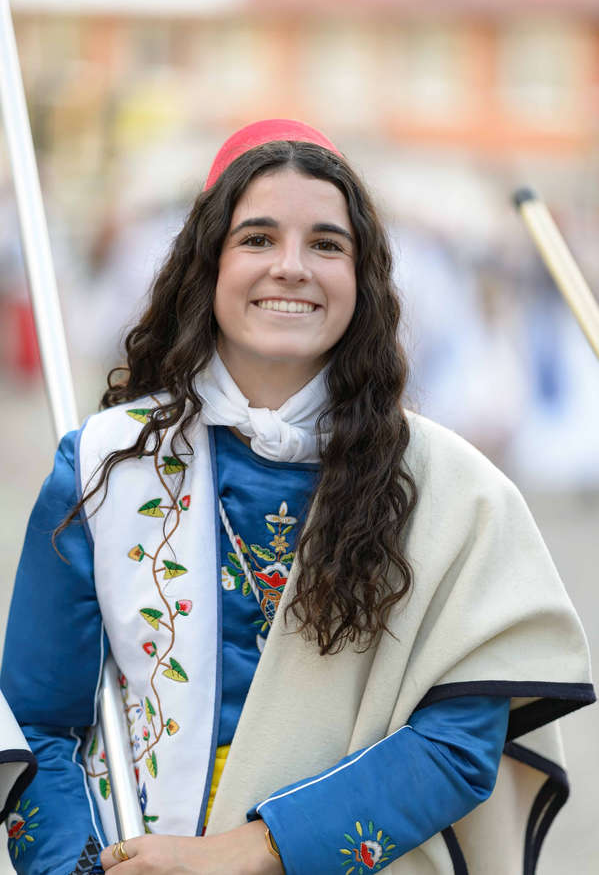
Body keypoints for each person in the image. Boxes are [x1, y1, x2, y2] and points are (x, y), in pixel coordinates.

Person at [1, 119, 594, 875]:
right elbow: (39, 723)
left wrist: (250, 852)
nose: (290, 267)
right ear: (207, 264)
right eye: (257, 239)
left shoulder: (453, 489)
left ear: (363, 277)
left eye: (325, 244)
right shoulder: (104, 464)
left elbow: (457, 743)